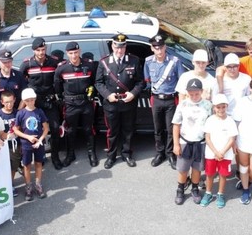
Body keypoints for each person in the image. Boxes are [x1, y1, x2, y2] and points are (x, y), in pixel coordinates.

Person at [94, 34, 145, 169]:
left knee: (128, 130)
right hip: (111, 104)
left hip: (128, 103)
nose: (119, 50)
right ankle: (111, 156)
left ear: (125, 47)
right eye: (117, 47)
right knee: (112, 131)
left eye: (122, 47)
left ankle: (127, 154)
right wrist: (107, 95)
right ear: (112, 46)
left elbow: (140, 82)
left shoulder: (134, 60)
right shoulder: (104, 62)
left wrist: (133, 94)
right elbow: (98, 83)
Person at [20, 37, 64, 169]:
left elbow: (61, 78)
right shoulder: (27, 64)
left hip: (50, 101)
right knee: (35, 130)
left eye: (43, 49)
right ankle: (41, 156)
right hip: (35, 103)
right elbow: (22, 83)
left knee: (55, 129)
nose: (41, 52)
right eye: (38, 50)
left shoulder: (53, 62)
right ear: (33, 51)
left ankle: (55, 157)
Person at [54, 41, 99, 167]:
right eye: (71, 53)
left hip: (86, 103)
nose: (74, 56)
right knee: (70, 130)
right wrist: (62, 101)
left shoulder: (89, 65)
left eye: (76, 52)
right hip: (70, 104)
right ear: (67, 54)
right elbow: (57, 87)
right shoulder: (62, 68)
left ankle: (91, 153)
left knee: (89, 129)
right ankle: (70, 154)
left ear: (80, 52)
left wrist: (93, 94)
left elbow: (95, 82)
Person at [144, 34, 185, 169]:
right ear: (152, 49)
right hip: (156, 99)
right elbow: (147, 81)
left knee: (170, 129)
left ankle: (170, 153)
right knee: (158, 129)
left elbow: (182, 81)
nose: (159, 51)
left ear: (165, 47)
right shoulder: (148, 61)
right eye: (156, 48)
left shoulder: (175, 61)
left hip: (170, 100)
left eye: (161, 47)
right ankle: (160, 153)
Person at [172, 79, 213, 205]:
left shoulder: (208, 105)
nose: (194, 96)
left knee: (197, 169)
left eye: (197, 93)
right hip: (185, 141)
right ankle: (180, 190)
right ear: (187, 93)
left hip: (200, 142)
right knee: (183, 169)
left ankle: (195, 188)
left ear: (201, 91)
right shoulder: (183, 105)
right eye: (191, 94)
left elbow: (211, 124)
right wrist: (176, 144)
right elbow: (176, 125)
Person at [200, 94, 238, 208]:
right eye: (218, 107)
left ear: (227, 106)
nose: (221, 109)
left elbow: (232, 139)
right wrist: (216, 152)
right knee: (210, 174)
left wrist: (222, 152)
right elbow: (207, 138)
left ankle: (220, 194)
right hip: (211, 153)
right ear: (214, 108)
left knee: (222, 174)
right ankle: (208, 193)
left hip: (225, 154)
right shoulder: (210, 120)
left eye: (223, 107)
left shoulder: (230, 121)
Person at [13, 88, 49, 201]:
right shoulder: (21, 113)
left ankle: (38, 184)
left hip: (38, 143)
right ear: (24, 101)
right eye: (27, 100)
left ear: (35, 99)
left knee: (39, 164)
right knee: (27, 165)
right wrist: (28, 137)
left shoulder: (39, 112)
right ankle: (28, 186)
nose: (30, 102)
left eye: (32, 100)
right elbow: (16, 129)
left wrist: (40, 140)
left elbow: (46, 128)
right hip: (26, 144)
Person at [0, 91, 23, 189]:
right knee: (3, 167)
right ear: (2, 102)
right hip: (3, 146)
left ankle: (10, 184)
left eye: (11, 101)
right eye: (7, 102)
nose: (9, 104)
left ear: (15, 100)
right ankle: (4, 185)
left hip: (15, 145)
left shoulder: (18, 113)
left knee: (14, 166)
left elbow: (22, 127)